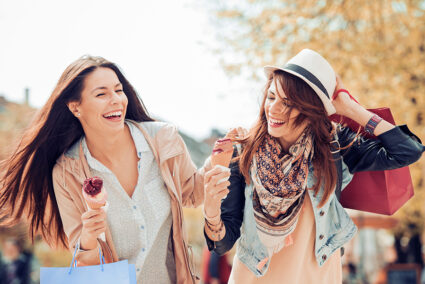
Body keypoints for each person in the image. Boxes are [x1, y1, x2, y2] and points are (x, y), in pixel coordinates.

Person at [202, 49, 425, 283]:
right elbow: (222, 243)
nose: (274, 109)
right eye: (271, 97)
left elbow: (407, 151)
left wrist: (351, 109)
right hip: (255, 276)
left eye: (287, 102)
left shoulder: (334, 148)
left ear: (312, 109)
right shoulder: (243, 151)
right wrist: (211, 210)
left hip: (318, 276)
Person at [0, 55, 218, 283]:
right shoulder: (66, 174)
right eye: (101, 94)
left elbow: (192, 193)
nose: (115, 100)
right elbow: (85, 266)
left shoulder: (162, 140)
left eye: (118, 90)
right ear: (76, 107)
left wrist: (219, 160)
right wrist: (89, 237)